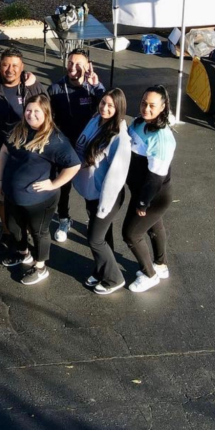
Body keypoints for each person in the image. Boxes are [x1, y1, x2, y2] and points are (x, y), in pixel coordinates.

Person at [0, 93, 80, 285]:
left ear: (46, 113)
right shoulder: (19, 129)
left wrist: (54, 183)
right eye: (28, 110)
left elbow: (74, 165)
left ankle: (40, 267)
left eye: (36, 111)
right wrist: (0, 180)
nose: (31, 114)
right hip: (12, 194)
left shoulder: (55, 139)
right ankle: (23, 253)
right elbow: (4, 151)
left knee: (39, 233)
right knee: (15, 228)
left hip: (39, 201)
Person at [0, 48, 47, 251]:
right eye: (5, 64)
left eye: (15, 65)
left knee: (26, 200)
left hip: (27, 160)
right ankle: (7, 233)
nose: (10, 69)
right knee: (2, 199)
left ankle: (28, 236)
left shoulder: (32, 89)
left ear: (22, 67)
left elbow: (47, 117)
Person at [74, 89, 132, 295]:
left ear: (119, 109)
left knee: (95, 238)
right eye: (103, 103)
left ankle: (114, 278)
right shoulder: (96, 120)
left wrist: (103, 207)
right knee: (104, 236)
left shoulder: (119, 138)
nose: (104, 108)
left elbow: (116, 177)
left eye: (110, 106)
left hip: (107, 197)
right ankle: (101, 270)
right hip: (92, 193)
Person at [47, 49, 106, 243]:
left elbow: (109, 107)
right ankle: (64, 219)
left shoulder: (93, 88)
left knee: (90, 187)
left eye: (78, 64)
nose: (73, 67)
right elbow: (47, 118)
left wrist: (97, 85)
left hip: (89, 148)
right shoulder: (55, 89)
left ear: (88, 66)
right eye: (70, 63)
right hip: (64, 148)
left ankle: (92, 220)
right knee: (63, 187)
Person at [123, 86, 177, 293]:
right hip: (141, 190)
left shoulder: (161, 138)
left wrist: (143, 202)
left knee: (131, 234)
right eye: (144, 103)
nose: (146, 108)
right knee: (154, 226)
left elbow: (155, 178)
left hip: (154, 195)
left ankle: (149, 274)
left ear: (163, 107)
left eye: (152, 106)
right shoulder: (139, 122)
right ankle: (161, 266)